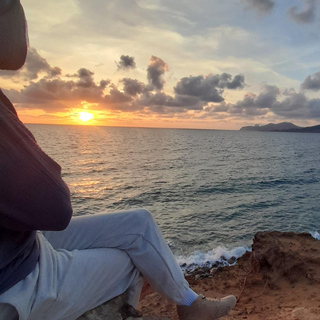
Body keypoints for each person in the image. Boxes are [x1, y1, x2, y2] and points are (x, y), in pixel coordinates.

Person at [0, 1, 237, 319]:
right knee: (131, 260)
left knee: (139, 223)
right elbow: (55, 207)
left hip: (20, 244)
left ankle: (189, 304)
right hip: (15, 276)